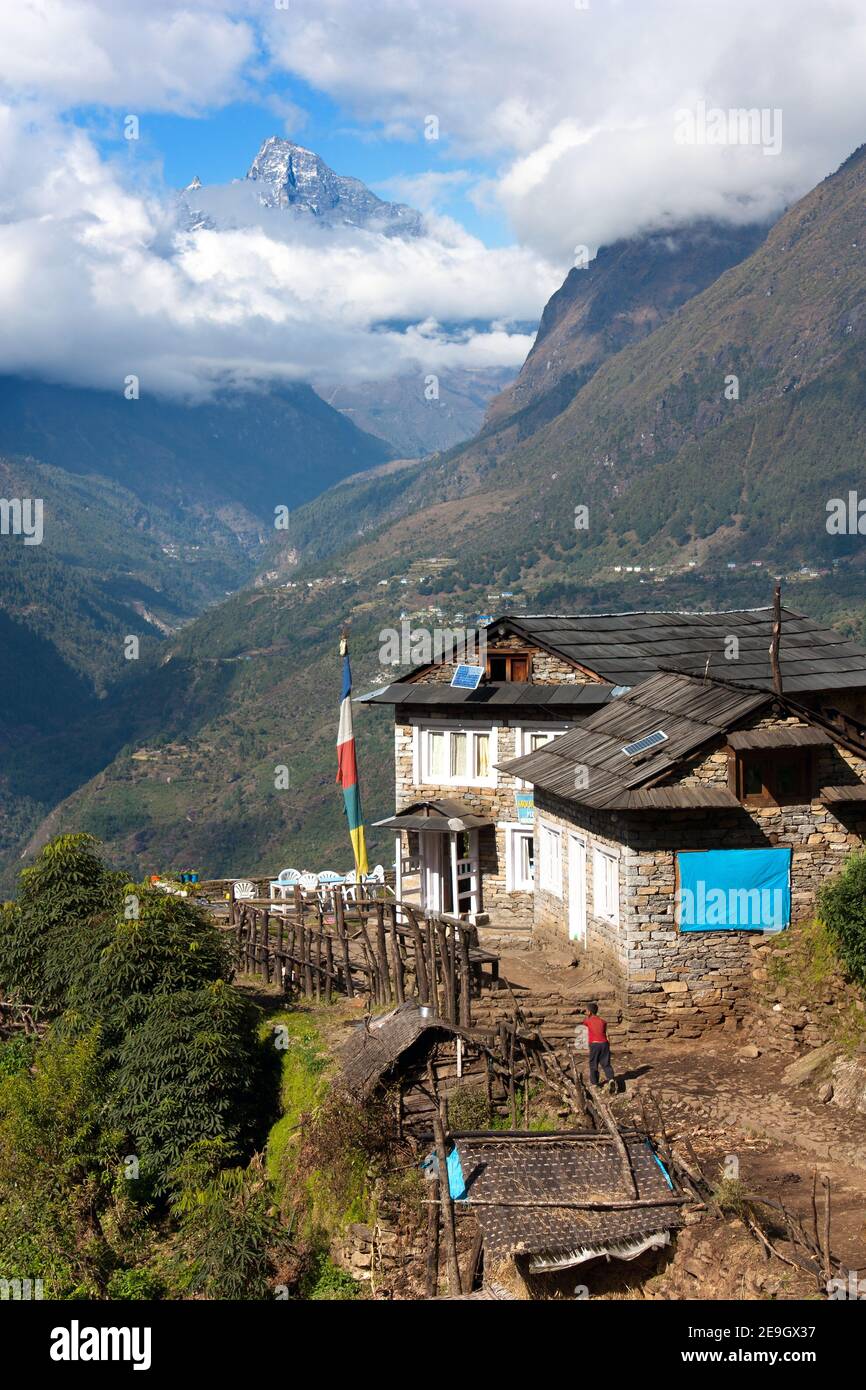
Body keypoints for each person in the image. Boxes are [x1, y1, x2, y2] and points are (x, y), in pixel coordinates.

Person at [583, 1001, 616, 1094]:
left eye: (586, 1011)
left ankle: (594, 1083)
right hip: (605, 1043)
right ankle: (611, 1079)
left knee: (593, 1064)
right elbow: (606, 1033)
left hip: (595, 1044)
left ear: (589, 1012)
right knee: (606, 1063)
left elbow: (584, 1023)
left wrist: (587, 1015)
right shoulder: (603, 1021)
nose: (585, 1012)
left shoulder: (588, 1021)